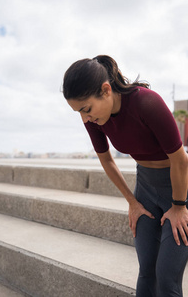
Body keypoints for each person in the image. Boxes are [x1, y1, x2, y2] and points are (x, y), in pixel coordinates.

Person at [63, 55, 188, 297]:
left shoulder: (146, 102)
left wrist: (179, 206)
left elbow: (180, 159)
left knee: (166, 278)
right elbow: (107, 160)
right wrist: (132, 201)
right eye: (79, 111)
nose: (84, 118)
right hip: (146, 190)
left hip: (180, 188)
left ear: (106, 90)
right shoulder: (93, 119)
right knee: (146, 272)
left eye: (86, 109)